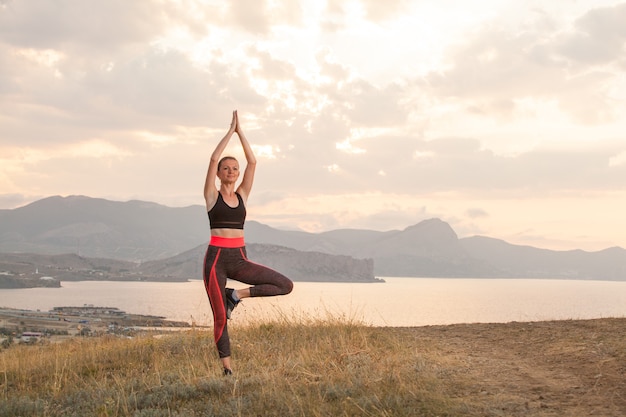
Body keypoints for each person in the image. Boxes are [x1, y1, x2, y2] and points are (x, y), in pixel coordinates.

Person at [202, 110, 293, 376]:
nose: (231, 171)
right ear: (219, 173)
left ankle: (236, 295)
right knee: (220, 316)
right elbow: (212, 158)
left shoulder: (242, 195)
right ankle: (227, 369)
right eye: (226, 168)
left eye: (235, 168)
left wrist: (241, 133)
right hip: (216, 260)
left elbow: (253, 162)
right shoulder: (211, 196)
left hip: (239, 258)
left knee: (284, 285)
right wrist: (229, 132)